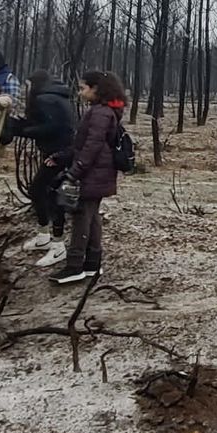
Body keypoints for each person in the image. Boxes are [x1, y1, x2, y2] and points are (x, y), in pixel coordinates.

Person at [54, 71, 127, 286]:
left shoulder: (100, 113)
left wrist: (76, 171)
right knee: (92, 216)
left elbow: (92, 145)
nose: (80, 92)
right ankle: (93, 263)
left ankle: (74, 265)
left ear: (96, 89)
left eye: (83, 87)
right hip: (98, 172)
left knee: (81, 218)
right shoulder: (105, 111)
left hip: (92, 172)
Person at [17, 71, 78, 269]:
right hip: (60, 151)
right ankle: (44, 235)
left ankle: (57, 244)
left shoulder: (45, 99)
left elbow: (51, 126)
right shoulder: (57, 97)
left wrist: (23, 130)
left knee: (51, 194)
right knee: (44, 191)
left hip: (58, 154)